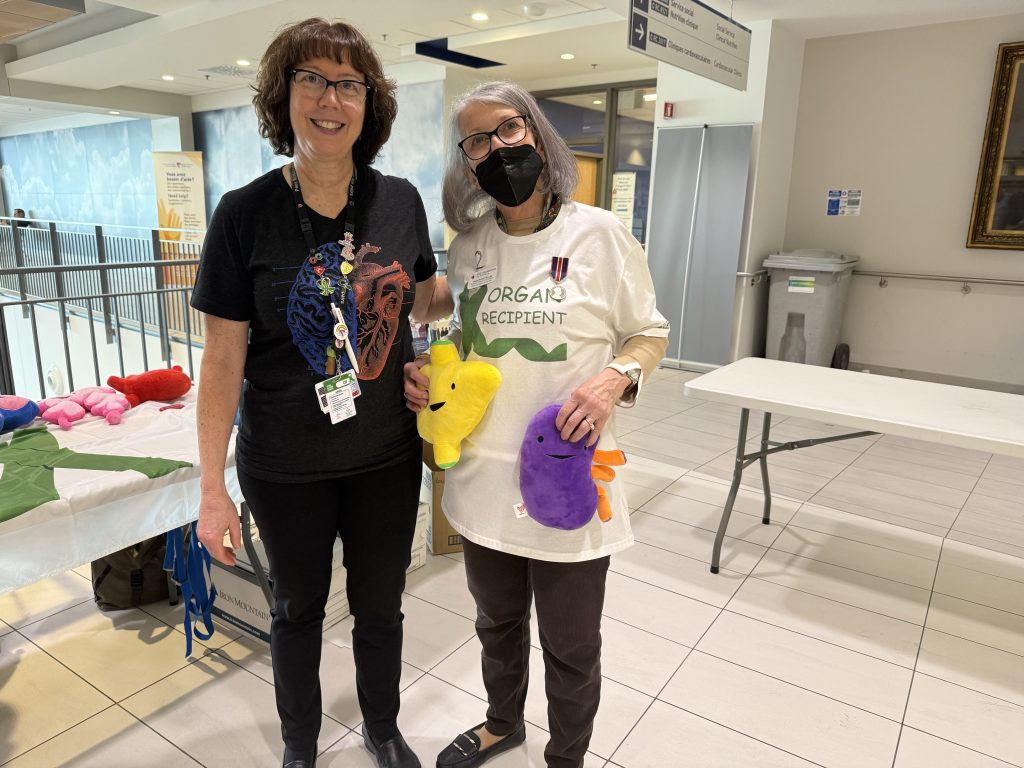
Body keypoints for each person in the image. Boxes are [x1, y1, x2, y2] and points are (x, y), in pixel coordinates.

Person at [191, 18, 452, 768]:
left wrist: (456, 314)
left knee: (381, 607)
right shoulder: (244, 214)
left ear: (370, 105)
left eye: (348, 84)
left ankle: (382, 728)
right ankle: (300, 745)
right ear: (284, 97)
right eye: (311, 79)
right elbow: (222, 360)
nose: (329, 100)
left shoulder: (399, 200)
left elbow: (425, 298)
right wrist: (211, 488)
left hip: (384, 456)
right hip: (283, 463)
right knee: (296, 609)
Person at [403, 81, 669, 768]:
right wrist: (429, 376)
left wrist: (614, 379)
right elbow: (455, 333)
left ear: (538, 135)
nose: (496, 149)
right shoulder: (468, 246)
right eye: (476, 141)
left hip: (567, 483)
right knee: (496, 623)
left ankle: (567, 758)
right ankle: (503, 723)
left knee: (571, 644)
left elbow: (648, 333)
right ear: (467, 163)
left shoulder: (600, 235)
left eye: (509, 129)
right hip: (482, 481)